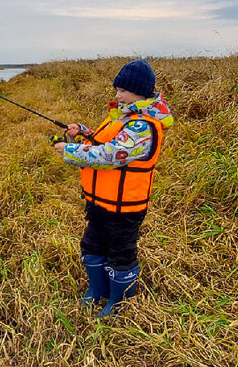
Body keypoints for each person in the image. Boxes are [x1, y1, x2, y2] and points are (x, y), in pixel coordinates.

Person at [53, 59, 174, 317]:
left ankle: (118, 304)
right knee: (92, 245)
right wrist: (83, 132)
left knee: (121, 254)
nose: (117, 95)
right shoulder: (124, 117)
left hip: (126, 207)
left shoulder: (143, 125)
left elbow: (111, 155)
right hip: (100, 202)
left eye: (122, 91)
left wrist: (71, 150)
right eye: (116, 89)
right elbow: (103, 140)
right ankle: (97, 291)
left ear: (140, 92)